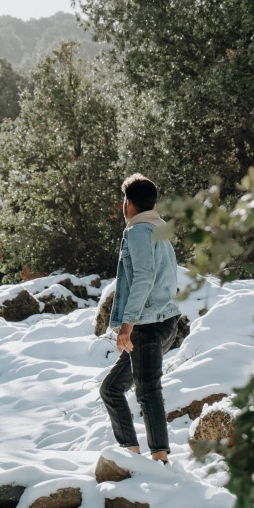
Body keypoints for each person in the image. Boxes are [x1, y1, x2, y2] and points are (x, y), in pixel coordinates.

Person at [99, 174, 181, 464]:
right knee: (111, 389)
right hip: (165, 322)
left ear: (128, 204)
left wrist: (127, 325)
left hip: (148, 325)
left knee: (147, 390)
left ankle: (159, 458)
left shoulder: (138, 232)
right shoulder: (160, 231)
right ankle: (131, 452)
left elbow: (144, 278)